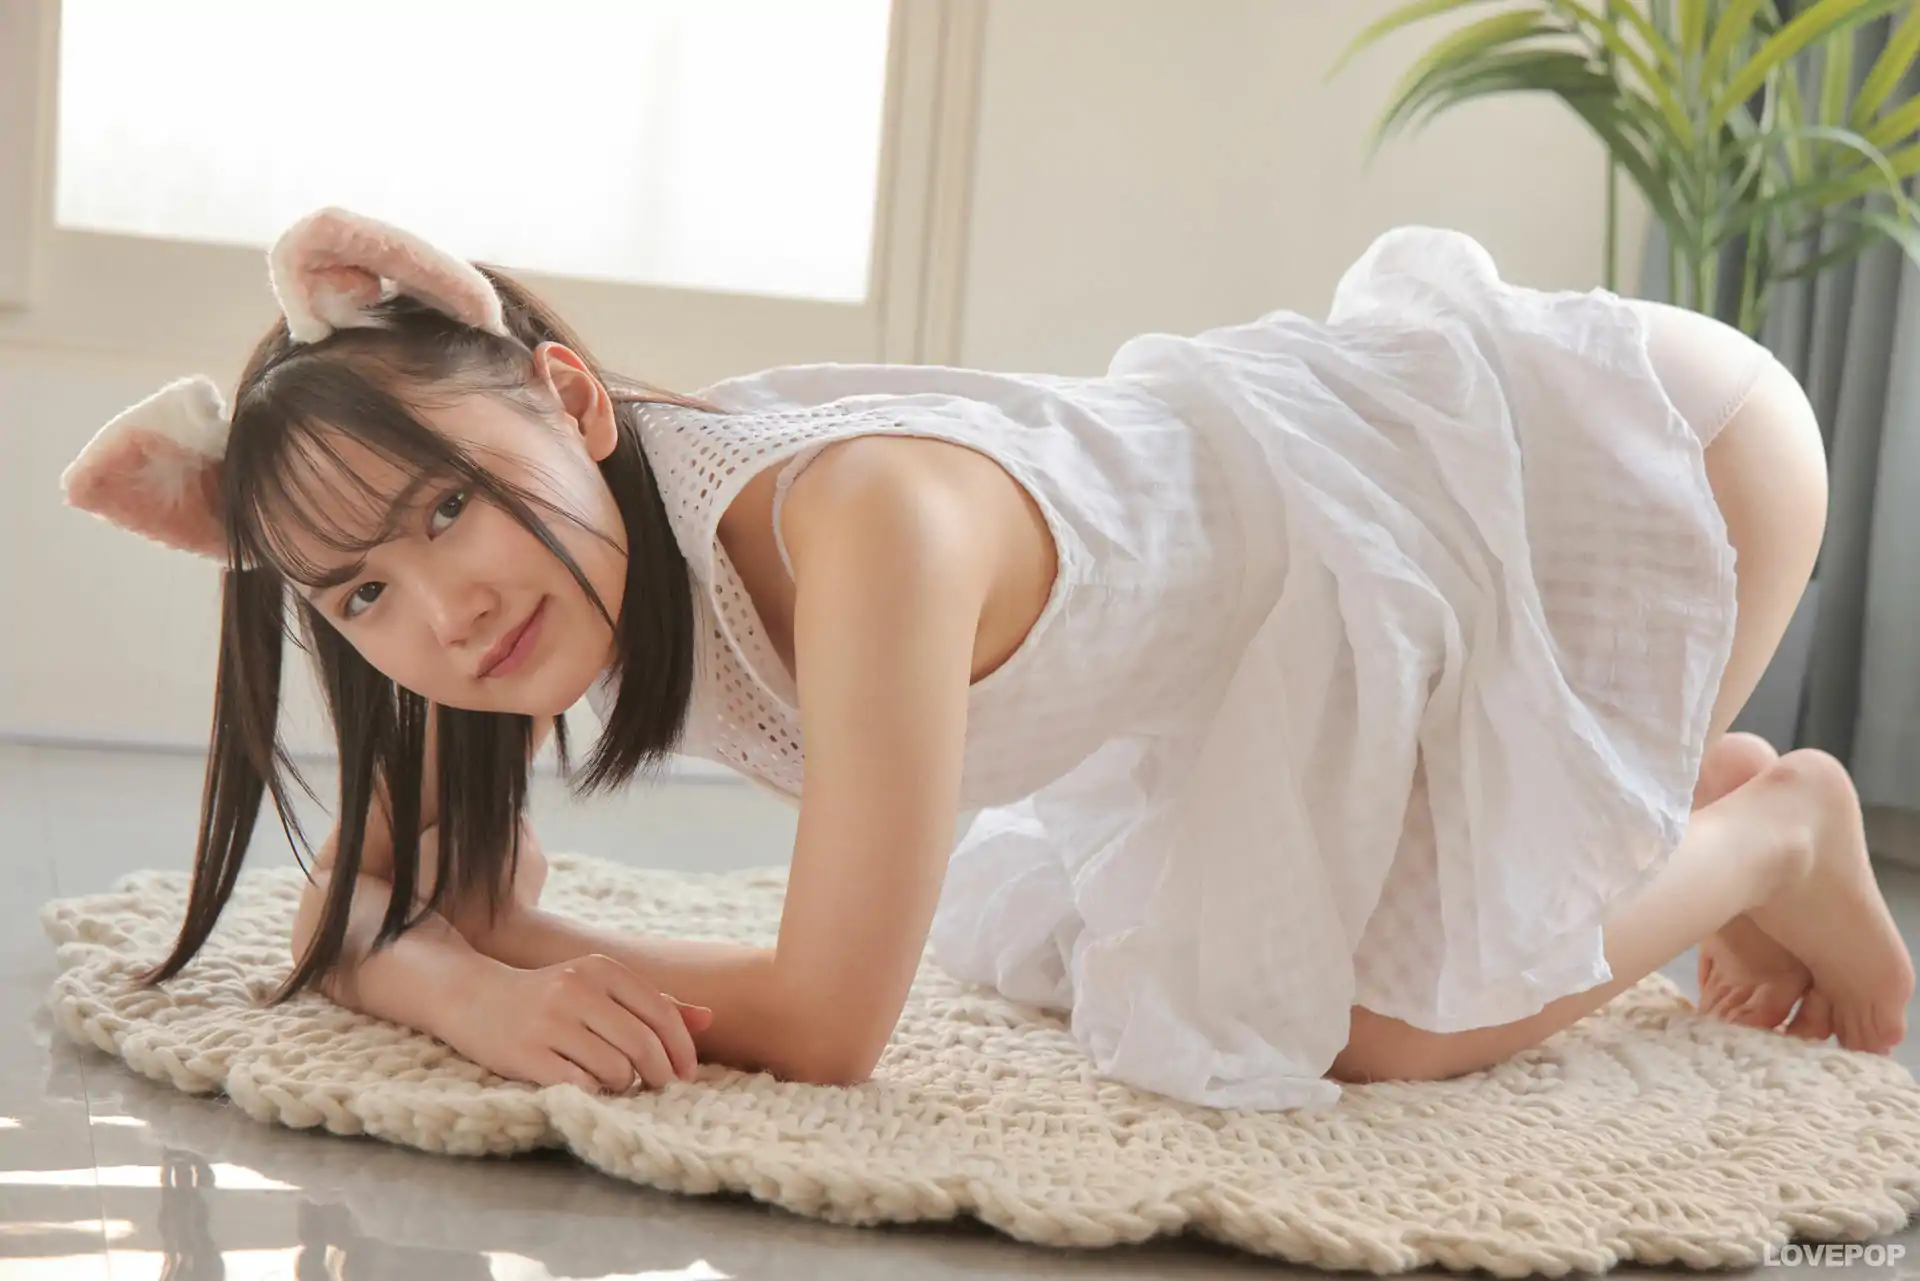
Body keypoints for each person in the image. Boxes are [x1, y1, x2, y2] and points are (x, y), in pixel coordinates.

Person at [59, 206, 1914, 1113]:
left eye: (451, 509)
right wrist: (464, 988)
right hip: (1327, 560)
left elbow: (827, 1027)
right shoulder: (523, 590)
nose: (440, 612)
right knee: (1074, 954)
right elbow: (370, 907)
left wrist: (503, 959)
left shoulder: (865, 522)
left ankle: (1775, 833)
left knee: (1363, 1038)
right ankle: (1662, 807)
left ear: (571, 398)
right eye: (359, 596)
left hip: (1623, 454)